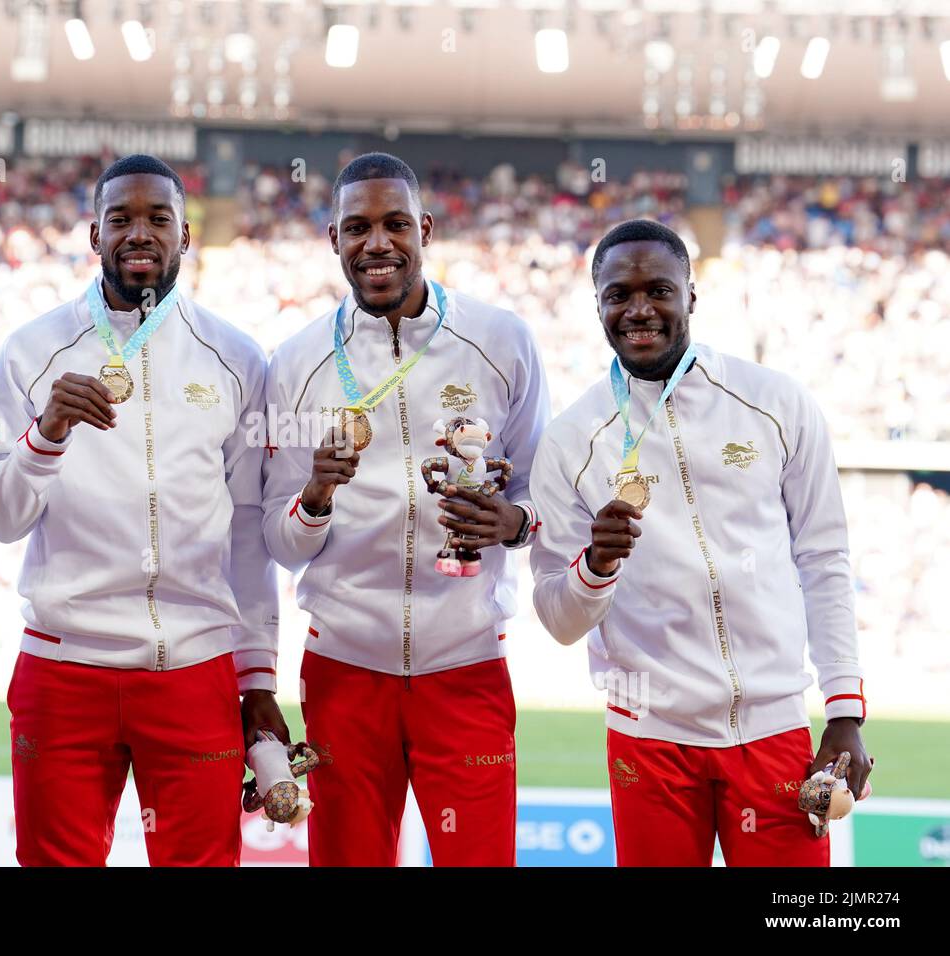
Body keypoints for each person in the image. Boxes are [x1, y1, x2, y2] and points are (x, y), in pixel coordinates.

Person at [530, 218, 871, 867]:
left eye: (658, 290)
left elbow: (823, 560)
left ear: (692, 294)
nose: (639, 310)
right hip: (648, 736)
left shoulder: (774, 403)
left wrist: (844, 710)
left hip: (772, 728)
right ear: (596, 303)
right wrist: (594, 567)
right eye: (617, 295)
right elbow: (557, 618)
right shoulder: (571, 440)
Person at [0, 154, 283, 867]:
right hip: (64, 664)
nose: (139, 233)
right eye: (121, 219)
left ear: (186, 237)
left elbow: (246, 532)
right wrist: (43, 437)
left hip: (196, 666)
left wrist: (258, 677)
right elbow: (0, 517)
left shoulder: (236, 357)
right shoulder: (30, 349)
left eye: (158, 219)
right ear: (94, 235)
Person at [263, 153, 549, 866]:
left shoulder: (501, 339)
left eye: (395, 225)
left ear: (424, 229)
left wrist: (514, 524)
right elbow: (279, 539)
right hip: (343, 670)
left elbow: (547, 497)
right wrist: (316, 499)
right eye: (357, 228)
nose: (377, 243)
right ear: (333, 239)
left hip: (468, 663)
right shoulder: (296, 363)